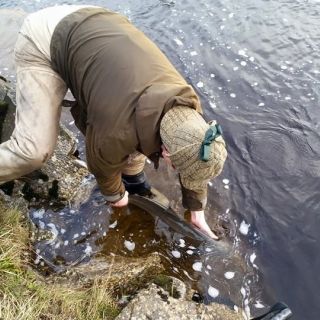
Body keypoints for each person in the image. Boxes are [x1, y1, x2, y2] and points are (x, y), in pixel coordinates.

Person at [0, 5, 227, 239]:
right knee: (33, 151)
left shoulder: (187, 111)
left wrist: (196, 209)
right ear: (166, 152)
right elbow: (100, 163)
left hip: (98, 27)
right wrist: (117, 197)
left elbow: (197, 153)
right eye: (174, 165)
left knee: (139, 131)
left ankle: (133, 178)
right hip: (44, 39)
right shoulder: (115, 129)